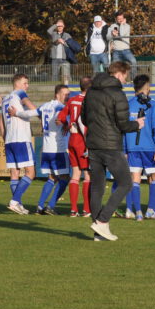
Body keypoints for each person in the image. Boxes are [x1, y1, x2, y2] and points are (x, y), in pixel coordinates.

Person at [82, 61, 145, 240]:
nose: (126, 80)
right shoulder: (117, 93)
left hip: (93, 144)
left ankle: (98, 233)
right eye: (126, 76)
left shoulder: (91, 91)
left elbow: (84, 119)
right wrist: (137, 124)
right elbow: (123, 124)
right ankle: (102, 221)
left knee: (97, 188)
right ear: (119, 74)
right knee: (126, 183)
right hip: (111, 146)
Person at [124, 74, 155, 221]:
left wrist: (124, 149)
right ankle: (151, 210)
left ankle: (138, 213)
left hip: (132, 147)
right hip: (149, 147)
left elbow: (122, 128)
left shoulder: (128, 104)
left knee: (135, 179)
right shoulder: (153, 104)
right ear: (147, 87)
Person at [3, 73, 39, 214]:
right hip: (21, 138)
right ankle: (14, 201)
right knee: (31, 172)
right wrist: (42, 115)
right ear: (17, 83)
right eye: (25, 83)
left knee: (15, 173)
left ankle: (18, 205)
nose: (27, 86)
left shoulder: (5, 99)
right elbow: (32, 108)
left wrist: (6, 138)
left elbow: (1, 123)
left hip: (9, 140)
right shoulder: (20, 93)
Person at [57, 76, 92, 217]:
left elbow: (60, 118)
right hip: (83, 140)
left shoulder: (72, 100)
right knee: (88, 175)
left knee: (75, 174)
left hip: (72, 139)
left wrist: (67, 125)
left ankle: (73, 210)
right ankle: (86, 210)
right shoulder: (89, 101)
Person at [36, 85, 71, 215]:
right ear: (57, 95)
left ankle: (40, 207)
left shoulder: (45, 106)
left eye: (68, 94)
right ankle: (50, 206)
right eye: (64, 94)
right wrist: (66, 124)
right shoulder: (60, 107)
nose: (67, 96)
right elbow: (58, 119)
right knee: (65, 177)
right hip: (58, 149)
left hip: (46, 148)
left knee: (52, 178)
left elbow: (36, 113)